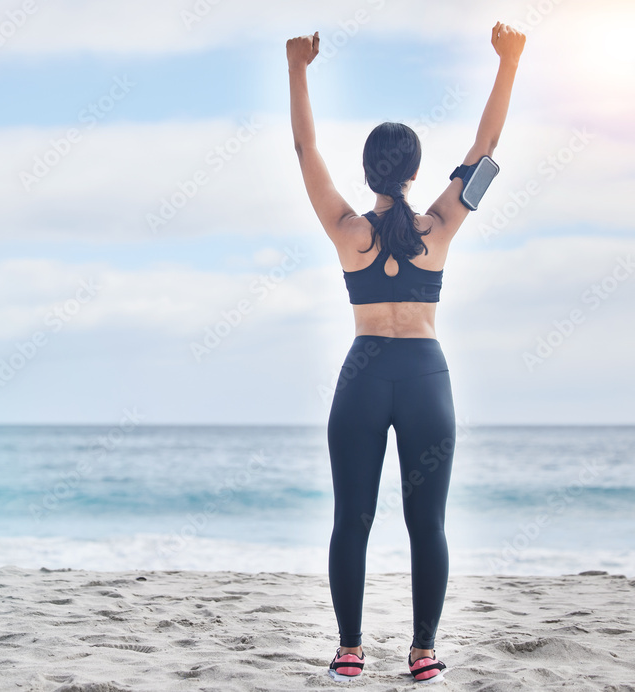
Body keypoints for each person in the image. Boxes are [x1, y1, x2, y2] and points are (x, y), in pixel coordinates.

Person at [286, 21, 526, 683]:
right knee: (430, 525)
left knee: (351, 523)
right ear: (418, 171)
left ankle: (350, 651)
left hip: (363, 377)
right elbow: (487, 146)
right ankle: (423, 653)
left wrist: (297, 68)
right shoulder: (439, 227)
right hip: (425, 377)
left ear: (367, 172)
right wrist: (510, 61)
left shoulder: (345, 231)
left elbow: (305, 147)